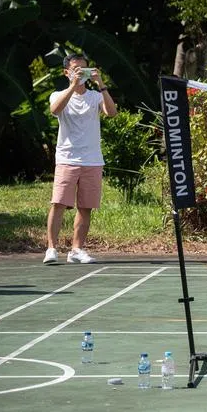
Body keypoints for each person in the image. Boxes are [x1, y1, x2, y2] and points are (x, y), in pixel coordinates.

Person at [44, 53, 117, 264]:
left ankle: (77, 250)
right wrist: (72, 86)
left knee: (85, 207)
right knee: (58, 203)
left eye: (84, 69)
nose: (80, 73)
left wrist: (100, 83)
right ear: (66, 72)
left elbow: (111, 113)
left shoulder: (95, 97)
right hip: (67, 158)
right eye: (76, 69)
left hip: (92, 160)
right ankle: (51, 248)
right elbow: (54, 110)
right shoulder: (57, 95)